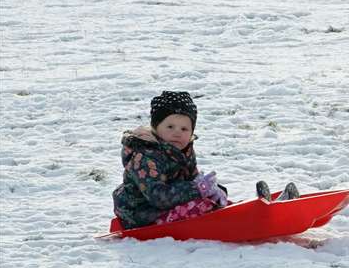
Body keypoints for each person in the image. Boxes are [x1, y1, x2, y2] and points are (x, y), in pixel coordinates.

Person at [112, 91, 298, 229]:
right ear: (155, 127)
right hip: (141, 215)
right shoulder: (146, 156)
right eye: (170, 126)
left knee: (212, 202)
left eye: (184, 129)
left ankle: (269, 210)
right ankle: (253, 218)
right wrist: (198, 189)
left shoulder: (182, 149)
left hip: (168, 208)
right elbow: (158, 197)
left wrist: (214, 190)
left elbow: (191, 180)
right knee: (204, 207)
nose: (177, 132)